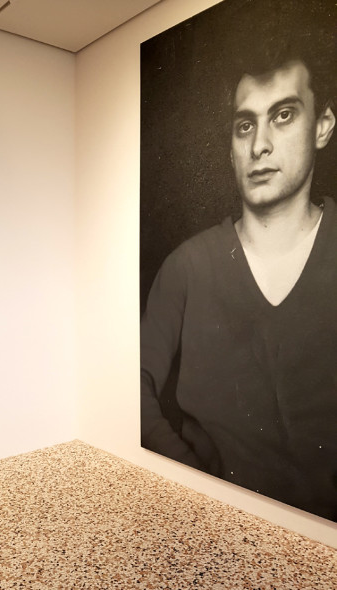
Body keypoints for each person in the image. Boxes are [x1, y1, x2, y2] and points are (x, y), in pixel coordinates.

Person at [140, 39, 337, 520]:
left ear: (323, 126)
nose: (259, 145)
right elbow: (129, 387)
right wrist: (193, 486)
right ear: (230, 148)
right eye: (245, 125)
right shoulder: (187, 267)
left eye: (284, 115)